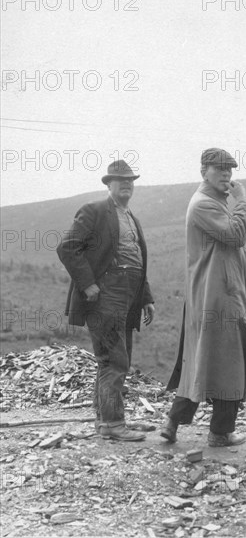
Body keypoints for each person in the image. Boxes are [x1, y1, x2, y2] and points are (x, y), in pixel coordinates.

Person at [161, 148, 246, 447]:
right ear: (203, 171)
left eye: (229, 169)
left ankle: (172, 423)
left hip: (217, 293)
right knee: (229, 364)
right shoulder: (205, 204)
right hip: (218, 297)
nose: (226, 174)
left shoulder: (214, 201)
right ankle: (220, 432)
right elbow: (236, 235)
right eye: (219, 169)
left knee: (202, 362)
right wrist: (244, 201)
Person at [57, 160, 155, 441]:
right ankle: (113, 425)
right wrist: (87, 284)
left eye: (130, 180)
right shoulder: (95, 210)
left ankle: (106, 421)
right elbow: (67, 247)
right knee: (115, 359)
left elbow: (135, 259)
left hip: (130, 295)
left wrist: (146, 297)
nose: (126, 184)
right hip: (106, 295)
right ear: (108, 184)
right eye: (119, 180)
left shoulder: (131, 217)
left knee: (110, 360)